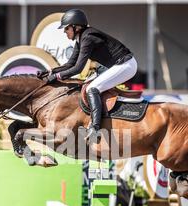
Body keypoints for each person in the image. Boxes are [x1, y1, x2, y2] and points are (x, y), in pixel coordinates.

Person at [37, 9, 138, 141]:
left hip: (126, 65)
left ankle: (95, 128)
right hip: (114, 66)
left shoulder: (87, 38)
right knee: (87, 85)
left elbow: (78, 69)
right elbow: (70, 64)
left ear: (76, 27)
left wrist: (57, 77)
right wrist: (51, 71)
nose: (64, 31)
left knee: (92, 89)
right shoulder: (81, 39)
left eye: (66, 28)